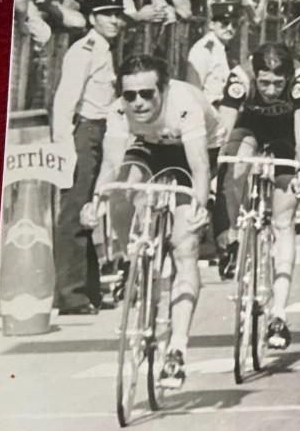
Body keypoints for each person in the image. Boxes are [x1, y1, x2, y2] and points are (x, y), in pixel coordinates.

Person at [83, 55, 221, 383]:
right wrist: (96, 201)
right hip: (149, 145)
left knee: (183, 244)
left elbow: (200, 165)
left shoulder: (184, 102)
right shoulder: (119, 110)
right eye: (130, 95)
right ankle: (134, 259)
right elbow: (111, 165)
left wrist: (199, 207)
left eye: (147, 94)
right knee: (120, 189)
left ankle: (176, 349)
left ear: (163, 89)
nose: (139, 103)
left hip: (194, 151)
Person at [216, 42, 300, 349]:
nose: (271, 90)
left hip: (285, 133)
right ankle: (234, 236)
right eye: (264, 82)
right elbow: (223, 130)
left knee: (283, 221)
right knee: (234, 165)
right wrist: (215, 171)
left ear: (287, 77)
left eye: (277, 83)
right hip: (251, 128)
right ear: (254, 74)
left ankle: (279, 314)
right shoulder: (239, 77)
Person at [50, 0, 127, 314]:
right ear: (93, 17)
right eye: (107, 14)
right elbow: (65, 100)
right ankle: (71, 295)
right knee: (75, 211)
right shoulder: (84, 50)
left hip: (100, 131)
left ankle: (89, 290)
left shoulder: (105, 49)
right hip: (83, 133)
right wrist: (64, 145)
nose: (114, 20)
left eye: (117, 14)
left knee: (89, 211)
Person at [187, 2, 239, 107]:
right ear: (211, 24)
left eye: (234, 24)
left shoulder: (223, 47)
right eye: (225, 23)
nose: (230, 28)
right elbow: (193, 89)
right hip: (209, 109)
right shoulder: (203, 50)